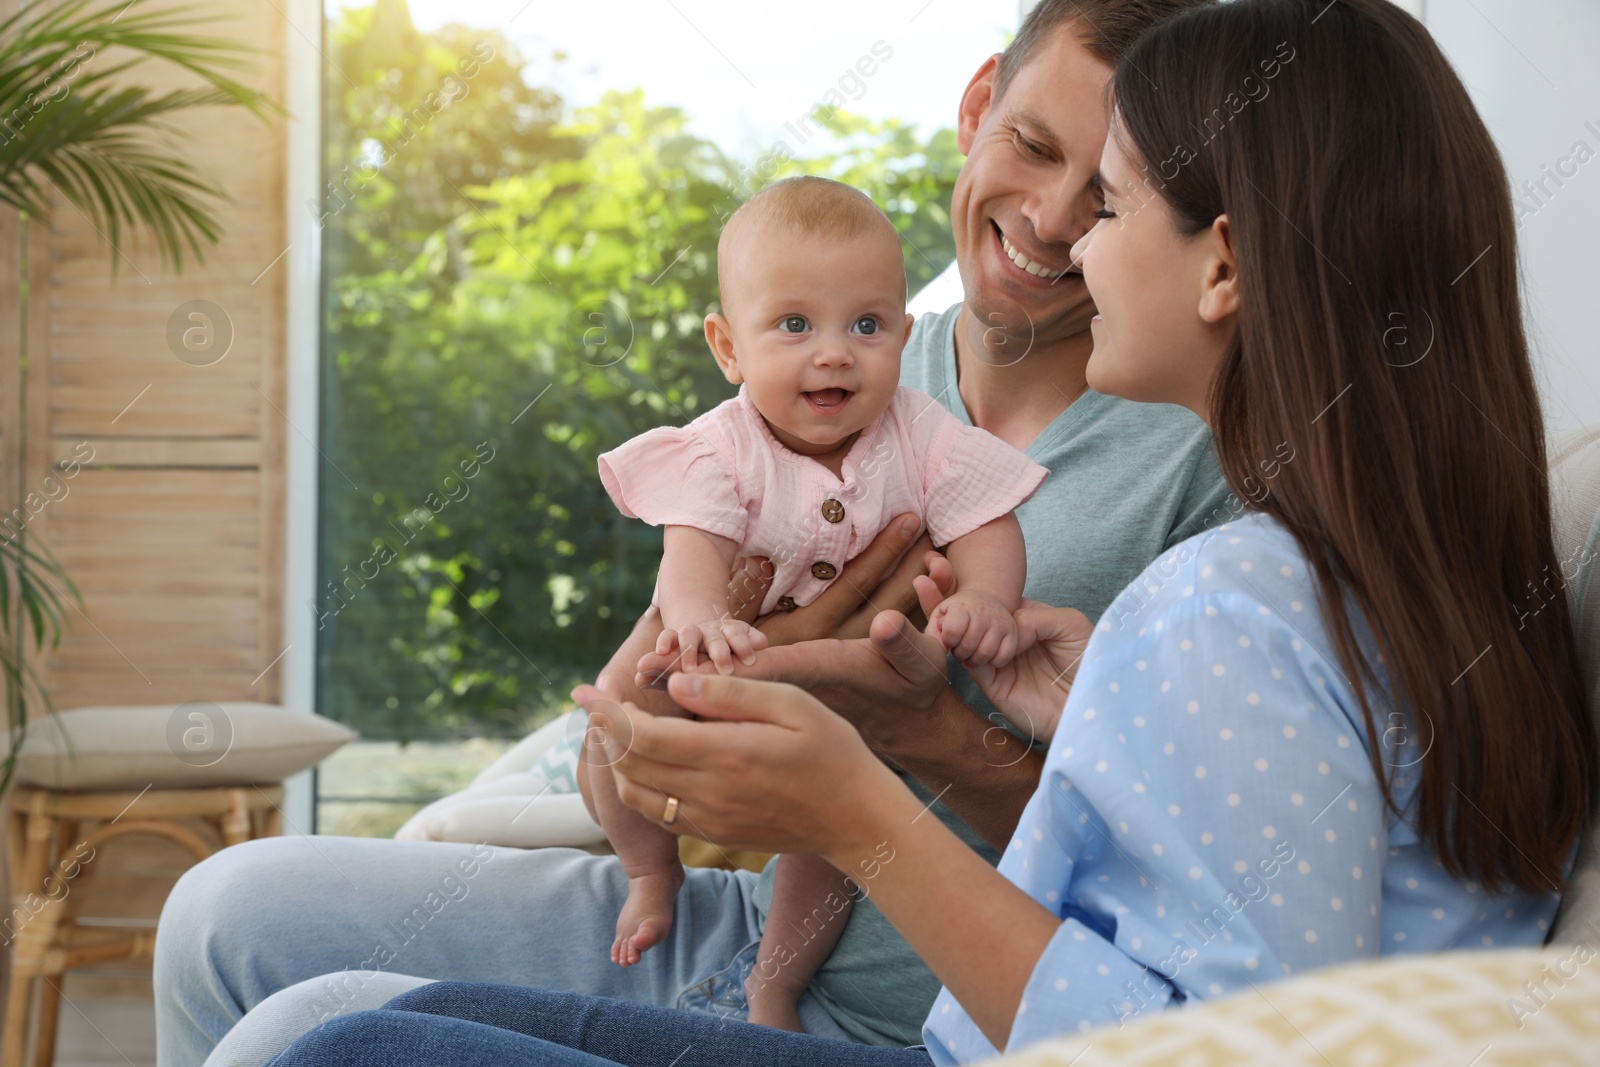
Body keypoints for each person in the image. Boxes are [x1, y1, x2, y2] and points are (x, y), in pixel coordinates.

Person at [256, 0, 1598, 1063]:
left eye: (1118, 203)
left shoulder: (1232, 597)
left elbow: (1216, 1049)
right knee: (331, 1028)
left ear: (1227, 263)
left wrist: (854, 808)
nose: (1073, 237)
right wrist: (1045, 734)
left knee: (341, 1045)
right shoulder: (1384, 580)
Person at [153, 2, 1230, 1063]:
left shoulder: (1206, 456)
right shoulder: (828, 373)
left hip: (938, 1024)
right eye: (1031, 146)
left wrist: (927, 738)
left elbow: (1197, 880)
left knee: (302, 1035)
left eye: (1102, 195)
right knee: (223, 910)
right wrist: (650, 703)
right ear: (978, 102)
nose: (1045, 219)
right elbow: (622, 752)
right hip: (749, 932)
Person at [585, 174, 1047, 1034]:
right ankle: (650, 871)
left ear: (904, 339)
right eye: (795, 325)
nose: (834, 352)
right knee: (616, 731)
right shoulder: (725, 446)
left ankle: (773, 984)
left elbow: (987, 515)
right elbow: (694, 554)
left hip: (839, 703)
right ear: (729, 347)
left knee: (835, 838)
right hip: (709, 644)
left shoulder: (919, 430)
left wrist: (987, 597)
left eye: (866, 326)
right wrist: (698, 620)